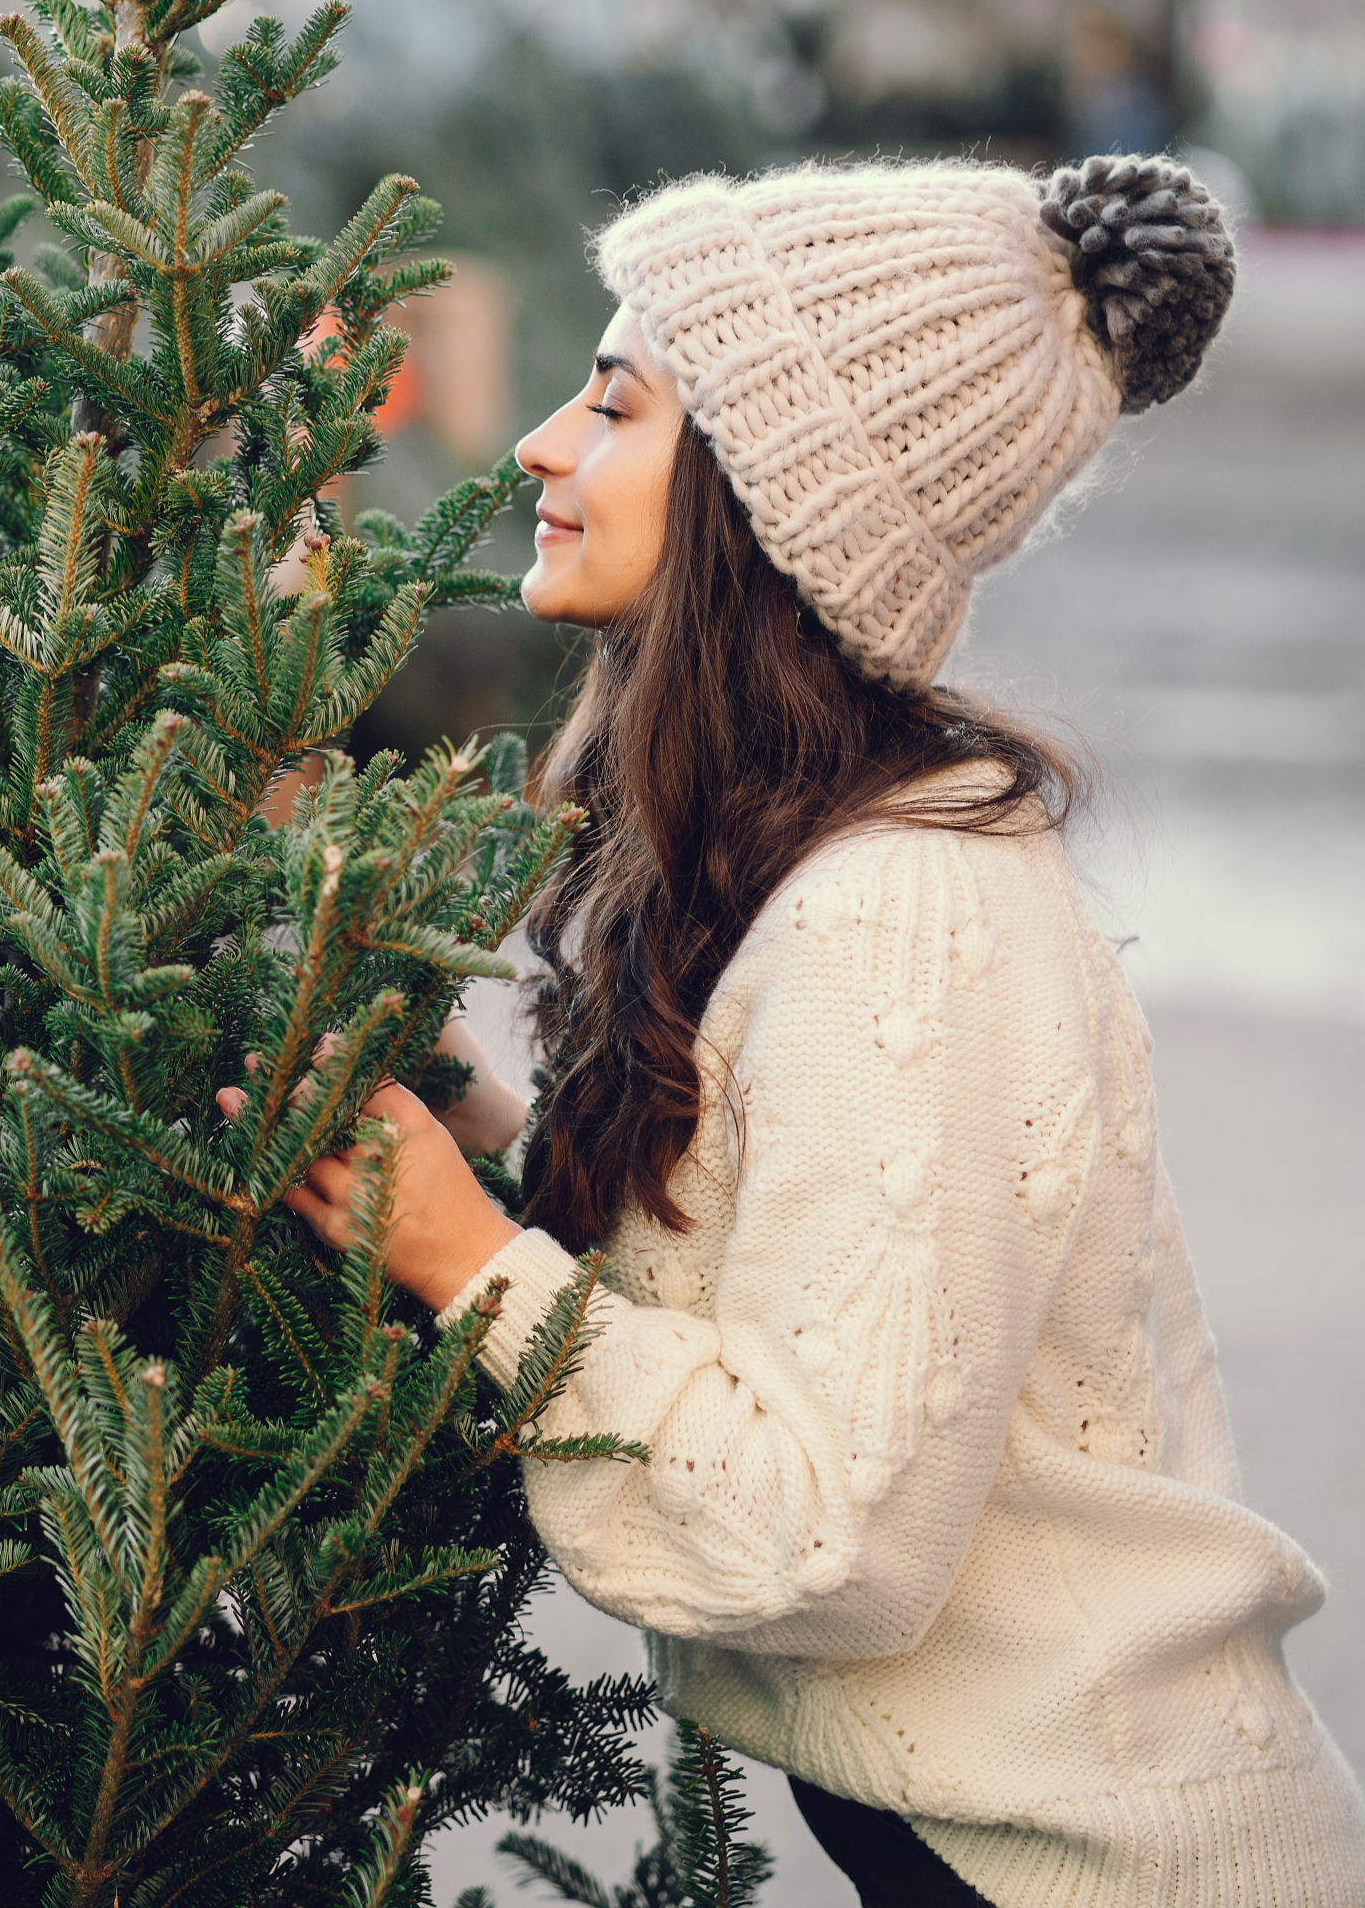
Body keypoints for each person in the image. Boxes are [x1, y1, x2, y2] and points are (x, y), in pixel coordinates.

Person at [222, 156, 1365, 1906]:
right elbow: (773, 1264)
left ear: (770, 498)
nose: (540, 444)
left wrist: (470, 1264)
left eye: (615, 406)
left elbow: (821, 1524)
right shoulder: (814, 853)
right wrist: (479, 1135)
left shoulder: (900, 919)